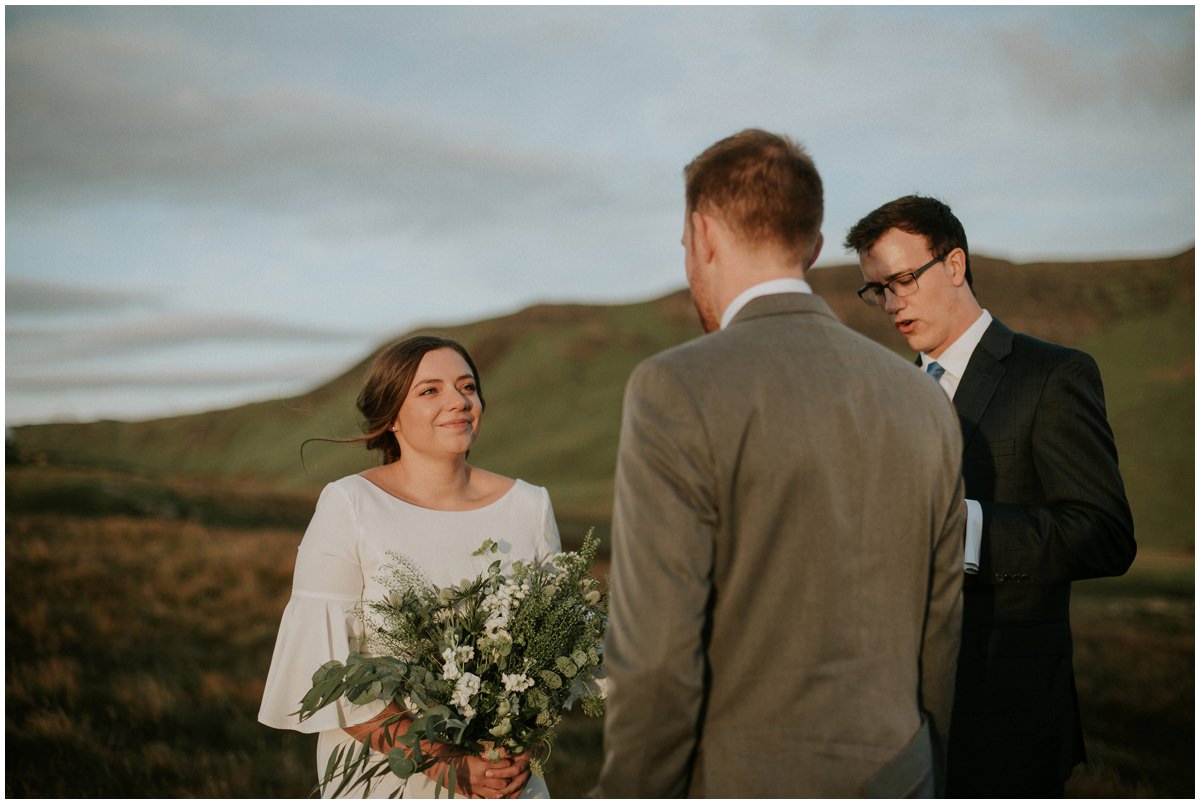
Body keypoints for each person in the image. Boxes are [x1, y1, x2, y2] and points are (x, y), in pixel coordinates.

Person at [593, 130, 966, 798]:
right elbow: (940, 634)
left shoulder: (674, 387)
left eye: (685, 244)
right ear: (815, 245)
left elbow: (655, 665)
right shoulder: (923, 399)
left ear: (703, 234)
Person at [844, 195, 1137, 797]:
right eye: (877, 290)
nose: (892, 304)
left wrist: (966, 530)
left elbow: (1106, 534)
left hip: (1006, 717)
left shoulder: (1053, 374)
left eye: (903, 280)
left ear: (954, 265)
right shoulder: (887, 394)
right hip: (890, 722)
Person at [258, 335, 561, 799]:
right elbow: (328, 667)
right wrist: (444, 763)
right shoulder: (350, 504)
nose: (458, 401)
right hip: (387, 776)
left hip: (504, 778)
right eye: (430, 390)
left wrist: (518, 745)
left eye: (467, 387)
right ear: (392, 416)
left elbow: (557, 651)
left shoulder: (530, 506)